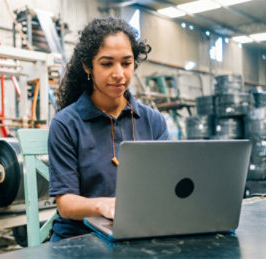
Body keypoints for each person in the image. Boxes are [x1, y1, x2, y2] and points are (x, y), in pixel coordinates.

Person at [48, 16, 169, 241]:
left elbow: (165, 186)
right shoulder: (66, 124)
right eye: (106, 63)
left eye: (126, 63)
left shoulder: (153, 122)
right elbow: (65, 204)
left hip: (137, 232)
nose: (119, 74)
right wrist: (104, 205)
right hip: (79, 238)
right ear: (87, 66)